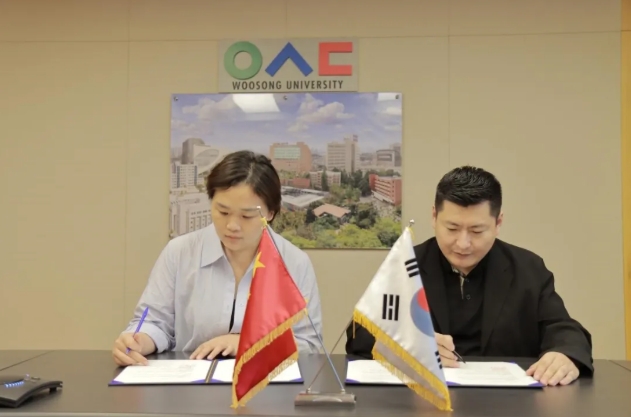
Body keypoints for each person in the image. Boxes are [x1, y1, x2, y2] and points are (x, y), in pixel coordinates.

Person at [346, 166, 593, 386]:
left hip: (507, 404)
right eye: (452, 228)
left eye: (476, 230)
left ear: (498, 223)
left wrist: (564, 354)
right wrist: (407, 346)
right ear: (434, 217)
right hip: (425, 402)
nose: (463, 244)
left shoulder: (527, 268)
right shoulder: (406, 264)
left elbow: (563, 328)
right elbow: (360, 334)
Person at [112, 150, 323, 366]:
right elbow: (154, 321)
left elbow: (309, 343)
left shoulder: (294, 263)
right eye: (222, 212)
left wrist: (248, 344)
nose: (232, 225)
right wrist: (139, 340)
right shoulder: (179, 252)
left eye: (247, 216)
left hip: (264, 381)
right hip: (190, 379)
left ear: (270, 213)